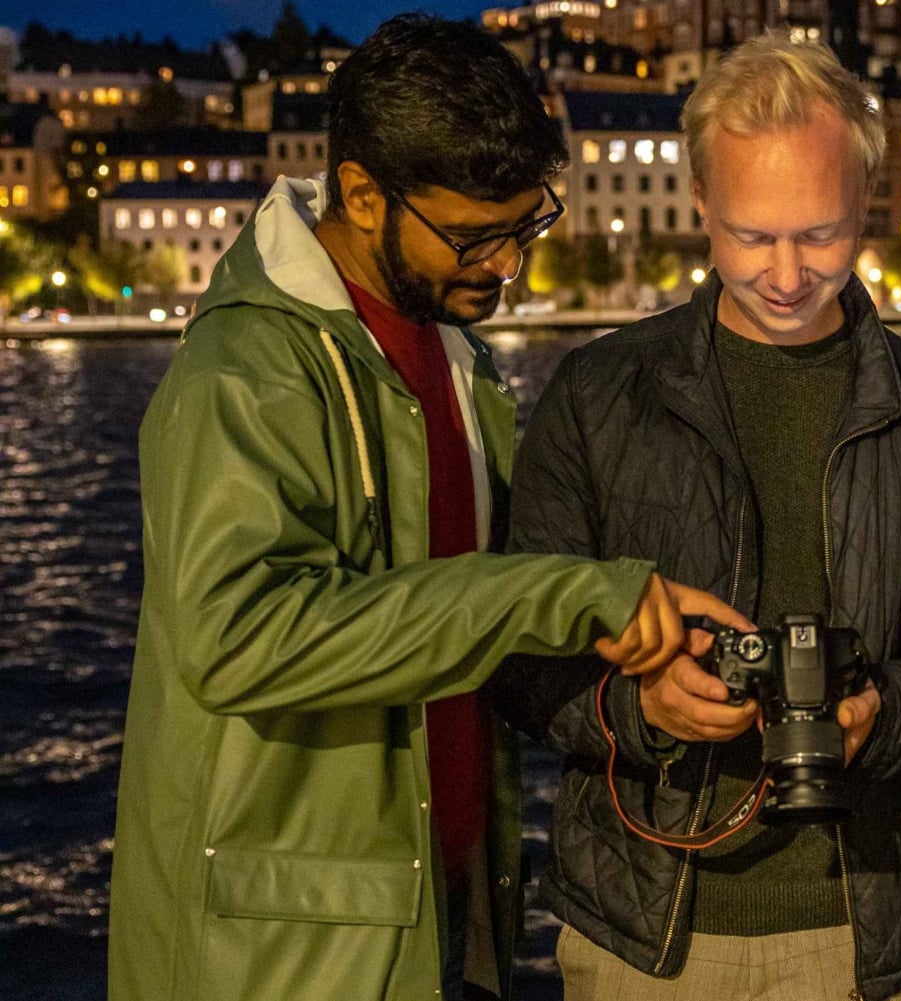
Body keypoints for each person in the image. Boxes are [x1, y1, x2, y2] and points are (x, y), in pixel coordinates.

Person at [107, 16, 748, 1001]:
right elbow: (240, 637)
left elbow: (471, 615)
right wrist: (568, 593)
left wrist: (645, 658)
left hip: (444, 910)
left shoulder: (452, 356)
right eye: (475, 236)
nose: (509, 267)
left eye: (527, 226)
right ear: (362, 195)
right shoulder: (244, 370)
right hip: (290, 954)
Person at [495, 32, 901, 1001]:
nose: (787, 273)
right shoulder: (595, 391)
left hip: (868, 931)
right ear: (702, 204)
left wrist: (883, 713)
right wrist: (641, 710)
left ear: (867, 203)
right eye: (752, 235)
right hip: (641, 934)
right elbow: (522, 650)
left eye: (820, 235)